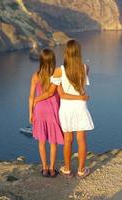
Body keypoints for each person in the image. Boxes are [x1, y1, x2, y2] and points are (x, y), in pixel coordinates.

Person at [35, 40, 94, 178]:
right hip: (80, 108)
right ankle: (81, 170)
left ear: (66, 53)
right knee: (82, 140)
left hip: (66, 109)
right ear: (79, 52)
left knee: (68, 140)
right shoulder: (85, 67)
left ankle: (67, 169)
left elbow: (56, 94)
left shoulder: (59, 71)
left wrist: (35, 101)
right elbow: (80, 89)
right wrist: (80, 98)